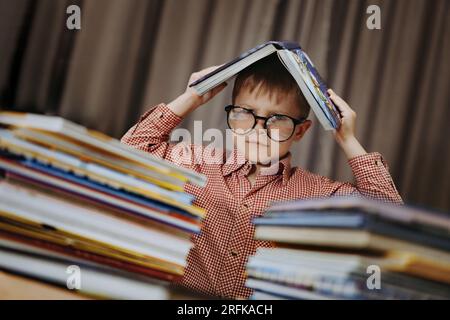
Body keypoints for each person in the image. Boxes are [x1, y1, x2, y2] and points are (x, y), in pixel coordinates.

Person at [121, 54, 403, 299]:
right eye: (246, 113)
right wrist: (191, 98)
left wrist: (348, 139)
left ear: (300, 131)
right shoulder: (196, 163)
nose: (258, 129)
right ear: (231, 115)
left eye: (277, 119)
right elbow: (130, 152)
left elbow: (390, 222)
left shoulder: (317, 193)